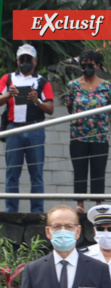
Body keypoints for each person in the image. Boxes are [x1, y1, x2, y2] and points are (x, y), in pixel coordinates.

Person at [0, 44, 54, 213]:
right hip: (13, 129)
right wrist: (9, 94)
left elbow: (51, 109)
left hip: (35, 129)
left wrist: (37, 100)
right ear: (17, 60)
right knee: (12, 173)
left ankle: (37, 211)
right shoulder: (7, 79)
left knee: (36, 172)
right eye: (22, 59)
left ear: (35, 61)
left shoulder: (42, 81)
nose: (25, 62)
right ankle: (11, 211)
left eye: (28, 59)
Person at [65, 50, 111, 214]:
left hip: (100, 135)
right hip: (78, 135)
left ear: (98, 66)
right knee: (79, 169)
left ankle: (98, 204)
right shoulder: (73, 85)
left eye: (90, 64)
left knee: (98, 170)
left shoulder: (106, 86)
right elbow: (70, 107)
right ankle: (80, 204)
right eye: (84, 64)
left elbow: (109, 107)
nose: (87, 68)